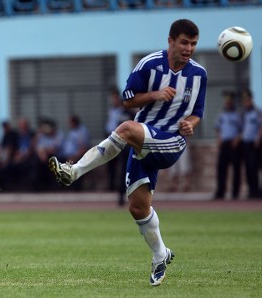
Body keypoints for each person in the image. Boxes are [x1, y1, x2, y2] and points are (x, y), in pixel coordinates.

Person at [48, 19, 207, 286]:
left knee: (125, 129)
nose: (188, 48)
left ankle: (73, 171)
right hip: (144, 141)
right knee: (137, 207)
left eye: (193, 43)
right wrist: (155, 95)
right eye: (184, 42)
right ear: (170, 41)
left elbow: (197, 114)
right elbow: (128, 99)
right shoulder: (149, 65)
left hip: (171, 142)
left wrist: (189, 125)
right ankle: (160, 255)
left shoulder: (199, 74)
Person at [105, 87, 136, 205]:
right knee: (120, 170)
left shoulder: (129, 114)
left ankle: (129, 195)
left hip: (128, 145)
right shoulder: (115, 112)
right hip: (117, 143)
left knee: (127, 170)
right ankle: (120, 195)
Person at [213, 91, 242, 200]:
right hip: (224, 144)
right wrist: (219, 139)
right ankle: (220, 192)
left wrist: (237, 139)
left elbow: (241, 129)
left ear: (232, 102)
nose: (228, 104)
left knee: (236, 169)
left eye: (229, 102)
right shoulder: (221, 114)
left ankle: (235, 193)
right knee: (221, 169)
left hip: (234, 145)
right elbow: (218, 128)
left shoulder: (238, 114)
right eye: (226, 102)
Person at [240, 88, 262, 199]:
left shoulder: (257, 112)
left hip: (254, 143)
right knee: (248, 168)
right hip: (245, 143)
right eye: (244, 101)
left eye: (247, 100)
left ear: (251, 100)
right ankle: (251, 191)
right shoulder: (243, 113)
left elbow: (260, 126)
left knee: (254, 167)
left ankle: (256, 191)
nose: (246, 103)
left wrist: (258, 139)